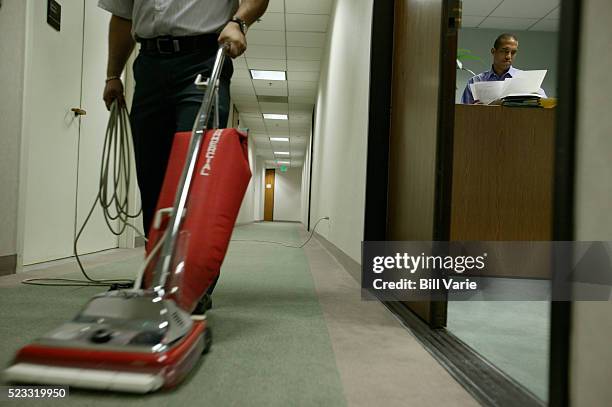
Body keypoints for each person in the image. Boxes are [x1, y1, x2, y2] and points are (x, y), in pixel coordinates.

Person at [98, 0, 269, 310]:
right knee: (152, 178)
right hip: (149, 63)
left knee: (194, 171)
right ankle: (155, 276)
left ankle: (191, 282)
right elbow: (122, 16)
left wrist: (239, 22)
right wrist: (113, 75)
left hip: (203, 57)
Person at [461, 33, 547, 104]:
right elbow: (462, 114)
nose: (508, 56)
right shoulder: (475, 81)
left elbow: (544, 103)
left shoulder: (526, 79)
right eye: (505, 51)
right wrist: (474, 109)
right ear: (493, 52)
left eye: (513, 52)